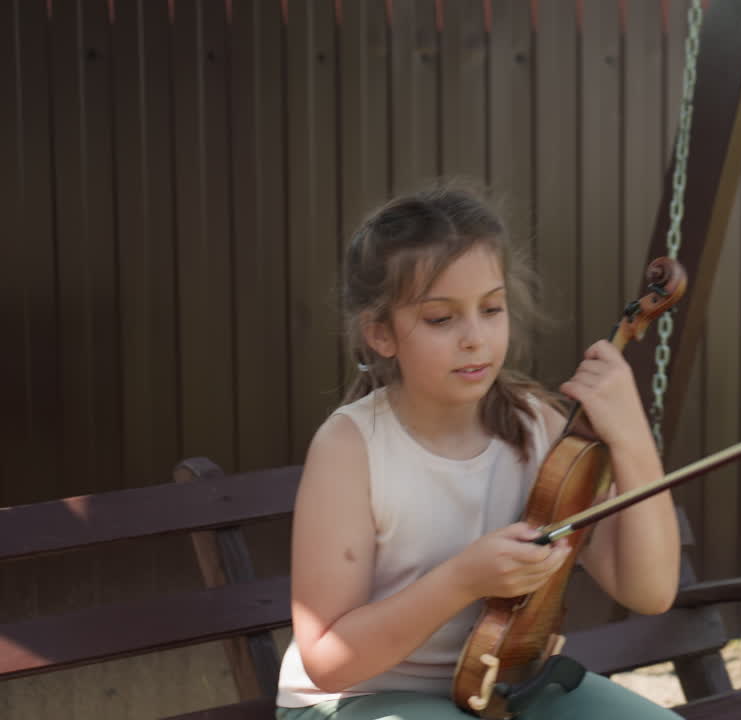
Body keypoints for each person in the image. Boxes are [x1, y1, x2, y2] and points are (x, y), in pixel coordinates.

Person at [274, 181, 683, 720]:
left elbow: (650, 592)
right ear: (381, 334)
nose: (474, 337)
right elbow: (328, 660)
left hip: (505, 688)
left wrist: (631, 436)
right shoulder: (350, 447)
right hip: (357, 698)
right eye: (441, 319)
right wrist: (462, 580)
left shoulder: (539, 428)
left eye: (491, 308)